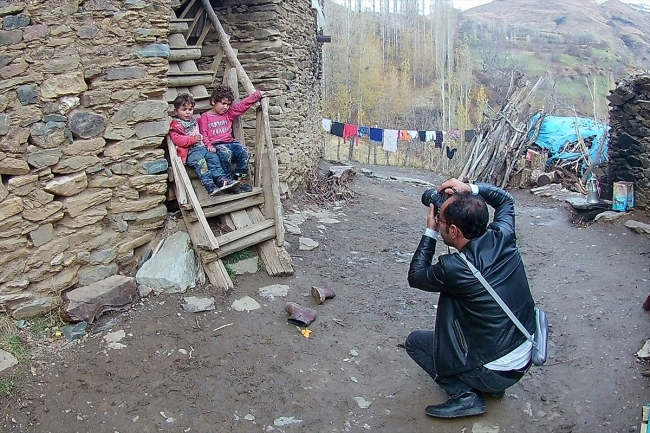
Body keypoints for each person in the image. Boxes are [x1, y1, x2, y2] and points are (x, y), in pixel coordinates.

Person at [405, 178, 537, 419]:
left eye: (442, 221)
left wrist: (430, 232)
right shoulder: (503, 235)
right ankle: (491, 385)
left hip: (495, 370)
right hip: (525, 353)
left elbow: (415, 276)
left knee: (416, 343)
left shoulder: (455, 268)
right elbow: (505, 199)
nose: (439, 223)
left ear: (453, 231)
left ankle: (464, 396)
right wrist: (471, 188)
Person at [198, 84, 264, 194]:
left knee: (245, 152)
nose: (226, 107)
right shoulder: (205, 117)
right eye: (223, 103)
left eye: (228, 104)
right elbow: (203, 133)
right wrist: (208, 145)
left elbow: (242, 106)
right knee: (225, 152)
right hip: (218, 145)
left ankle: (239, 180)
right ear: (214, 101)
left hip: (230, 142)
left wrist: (257, 96)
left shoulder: (228, 114)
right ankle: (228, 181)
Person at [169, 93, 238, 196]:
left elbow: (206, 126)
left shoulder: (195, 121)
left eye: (190, 109)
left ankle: (222, 179)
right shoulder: (176, 125)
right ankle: (209, 185)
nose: (188, 112)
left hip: (202, 148)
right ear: (176, 111)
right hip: (191, 152)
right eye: (184, 110)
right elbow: (178, 140)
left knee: (213, 158)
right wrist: (192, 139)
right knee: (202, 164)